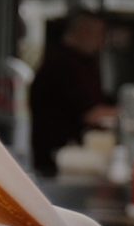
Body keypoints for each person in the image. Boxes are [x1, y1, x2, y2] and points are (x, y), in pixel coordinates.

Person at [32, 11, 116, 176]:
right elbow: (92, 113)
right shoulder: (63, 65)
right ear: (84, 32)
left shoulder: (79, 62)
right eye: (100, 34)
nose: (102, 42)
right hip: (60, 159)